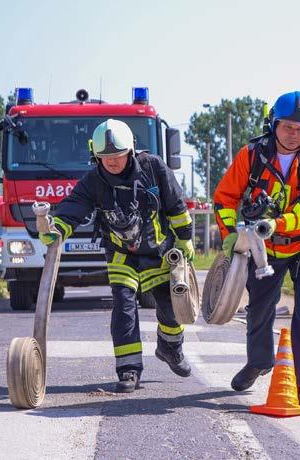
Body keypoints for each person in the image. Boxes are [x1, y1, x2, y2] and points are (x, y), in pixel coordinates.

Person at [39, 119, 195, 393]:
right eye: (105, 157)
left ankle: (170, 348)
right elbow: (73, 208)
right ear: (95, 156)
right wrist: (56, 229)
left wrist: (185, 238)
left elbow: (176, 204)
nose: (112, 162)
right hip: (122, 255)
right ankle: (129, 371)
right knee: (123, 310)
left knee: (171, 309)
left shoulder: (153, 167)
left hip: (158, 252)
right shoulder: (93, 181)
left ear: (131, 151)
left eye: (117, 156)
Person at [213, 91, 300, 407]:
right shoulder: (251, 155)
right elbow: (225, 197)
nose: (294, 134)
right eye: (288, 127)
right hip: (262, 246)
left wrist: (278, 224)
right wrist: (230, 236)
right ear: (274, 124)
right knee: (259, 308)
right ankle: (259, 362)